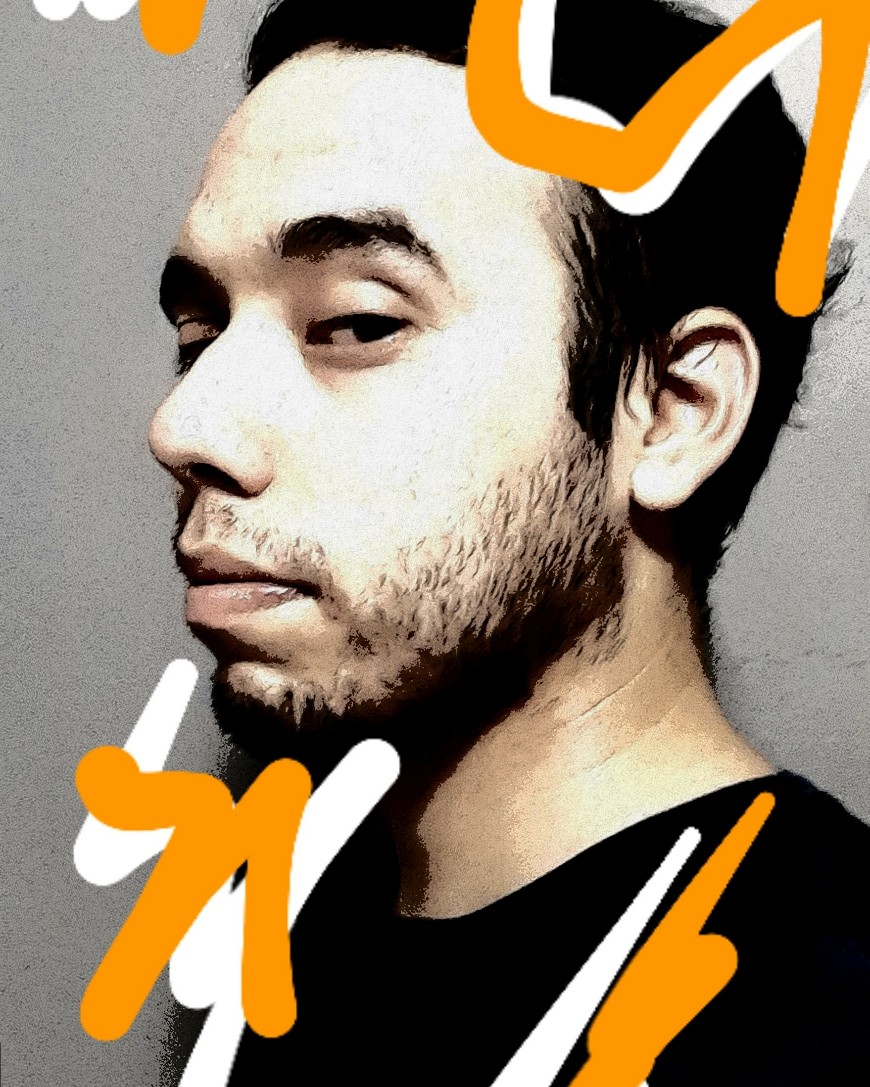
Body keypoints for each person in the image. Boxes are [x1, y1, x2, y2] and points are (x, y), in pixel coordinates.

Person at [148, 1, 870, 1083]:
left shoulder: (830, 1023)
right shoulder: (282, 939)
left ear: (673, 412)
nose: (183, 426)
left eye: (356, 323)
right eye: (200, 334)